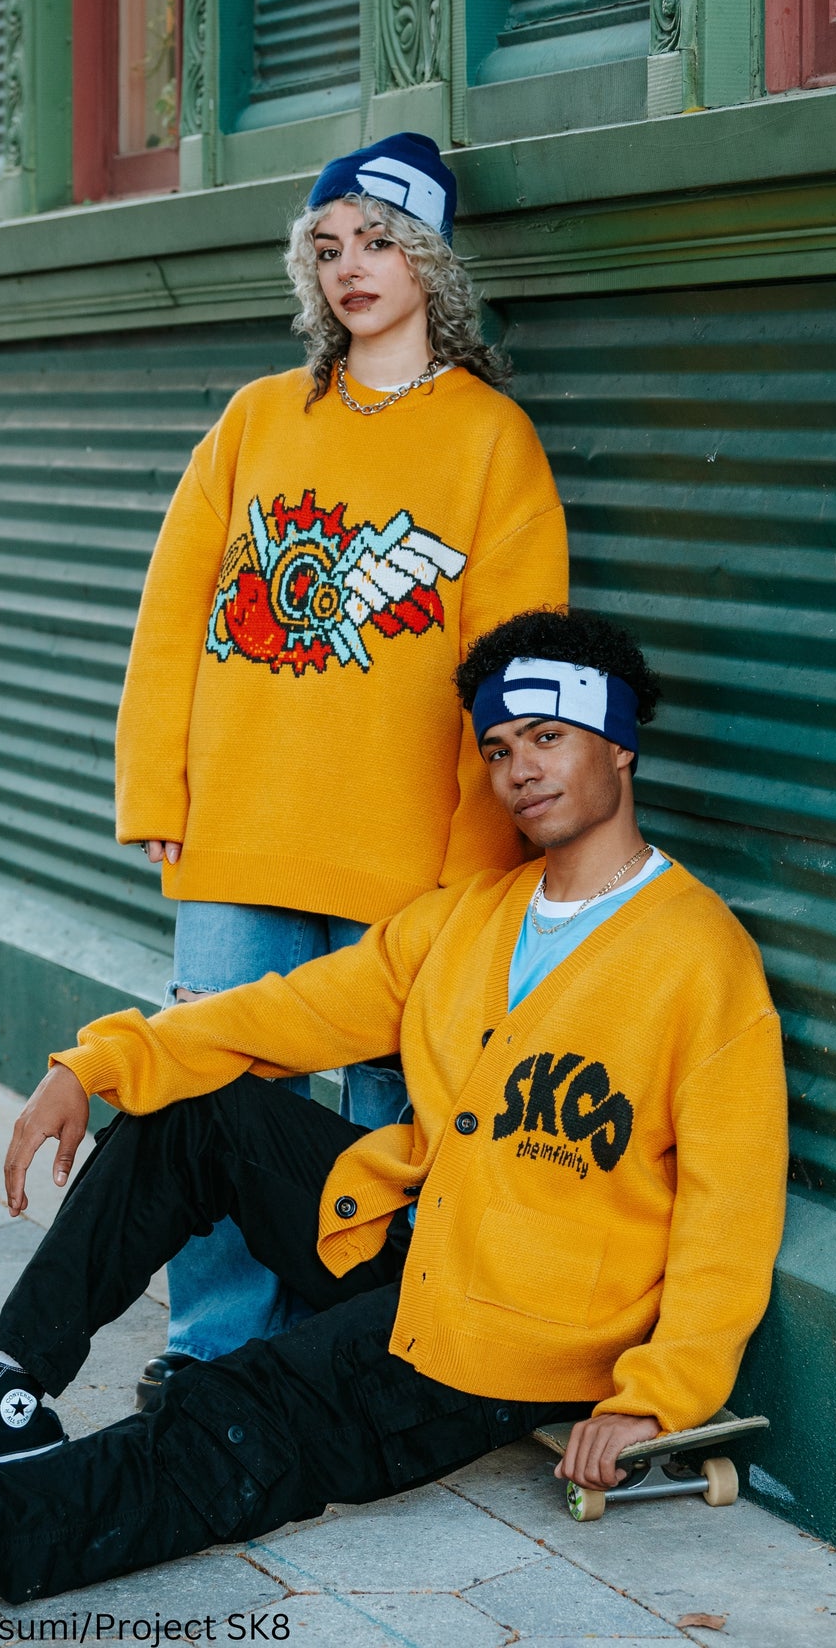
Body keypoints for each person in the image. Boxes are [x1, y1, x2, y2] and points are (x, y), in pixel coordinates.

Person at [0, 608, 788, 1625]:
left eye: (549, 737)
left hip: (509, 1331)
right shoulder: (471, 919)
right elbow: (285, 1013)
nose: (521, 769)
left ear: (619, 743)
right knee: (202, 1114)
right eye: (501, 746)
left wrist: (653, 1397)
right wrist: (99, 1065)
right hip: (414, 1246)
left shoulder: (699, 959)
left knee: (240, 1410)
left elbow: (729, 1212)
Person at [113, 131, 568, 1380]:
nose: (351, 268)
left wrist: (479, 861)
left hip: (402, 853)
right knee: (212, 1081)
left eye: (378, 242)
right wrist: (157, 785)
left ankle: (343, 1352)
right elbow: (172, 611)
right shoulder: (259, 419)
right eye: (327, 248)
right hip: (240, 830)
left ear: (431, 262)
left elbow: (513, 672)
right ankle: (211, 1351)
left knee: (386, 1104)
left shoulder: (492, 441)